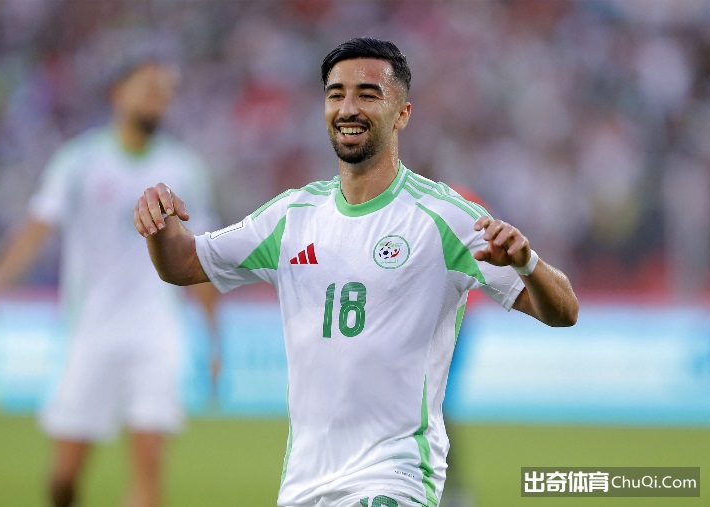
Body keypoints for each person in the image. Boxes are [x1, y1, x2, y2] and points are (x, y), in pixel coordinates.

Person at [134, 38, 579, 507]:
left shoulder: (444, 218)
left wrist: (528, 264)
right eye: (336, 94)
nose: (348, 108)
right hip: (304, 486)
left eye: (367, 94)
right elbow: (183, 263)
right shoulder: (291, 216)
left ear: (402, 113)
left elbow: (564, 310)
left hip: (394, 481)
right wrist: (159, 224)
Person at [0, 55, 221, 507]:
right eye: (148, 88)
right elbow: (38, 224)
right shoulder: (80, 161)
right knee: (64, 478)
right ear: (118, 94)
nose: (158, 99)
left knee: (148, 474)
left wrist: (212, 338)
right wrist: (0, 274)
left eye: (165, 92)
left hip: (157, 334)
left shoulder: (184, 168)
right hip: (91, 331)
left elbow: (201, 256)